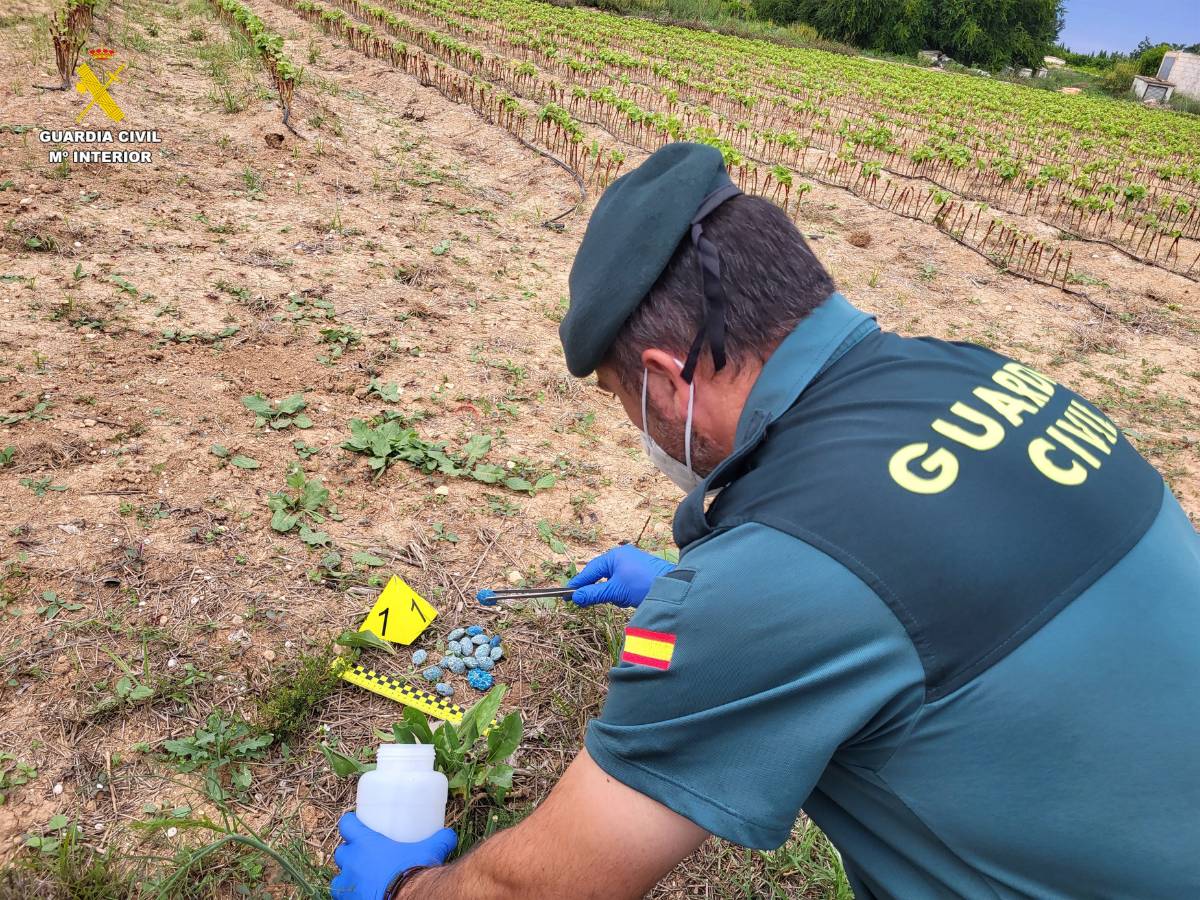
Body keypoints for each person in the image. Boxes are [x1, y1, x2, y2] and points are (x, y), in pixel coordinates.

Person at [331, 143, 1200, 899]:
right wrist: (686, 588)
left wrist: (406, 887)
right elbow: (937, 574)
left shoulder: (777, 579)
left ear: (669, 381)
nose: (641, 428)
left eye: (626, 403)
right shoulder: (980, 374)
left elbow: (555, 885)